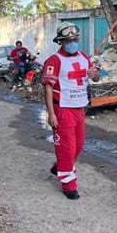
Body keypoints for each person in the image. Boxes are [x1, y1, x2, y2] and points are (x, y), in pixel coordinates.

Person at [41, 22, 100, 200]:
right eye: (68, 40)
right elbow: (48, 88)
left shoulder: (83, 57)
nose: (72, 42)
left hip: (80, 108)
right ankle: (68, 184)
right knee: (67, 147)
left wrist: (94, 75)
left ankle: (59, 166)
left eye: (75, 39)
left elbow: (95, 78)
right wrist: (51, 114)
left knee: (79, 145)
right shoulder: (54, 61)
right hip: (63, 109)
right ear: (61, 42)